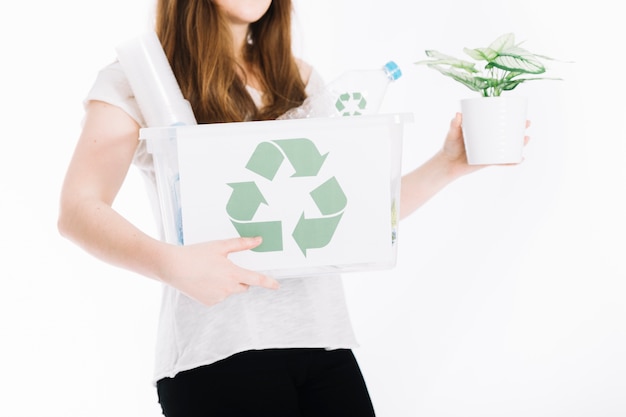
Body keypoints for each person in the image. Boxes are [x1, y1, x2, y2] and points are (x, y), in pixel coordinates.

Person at [58, 0, 528, 416]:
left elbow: (346, 216)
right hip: (219, 349)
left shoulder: (300, 79)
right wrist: (171, 264)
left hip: (324, 341)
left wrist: (448, 164)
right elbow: (78, 209)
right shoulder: (138, 80)